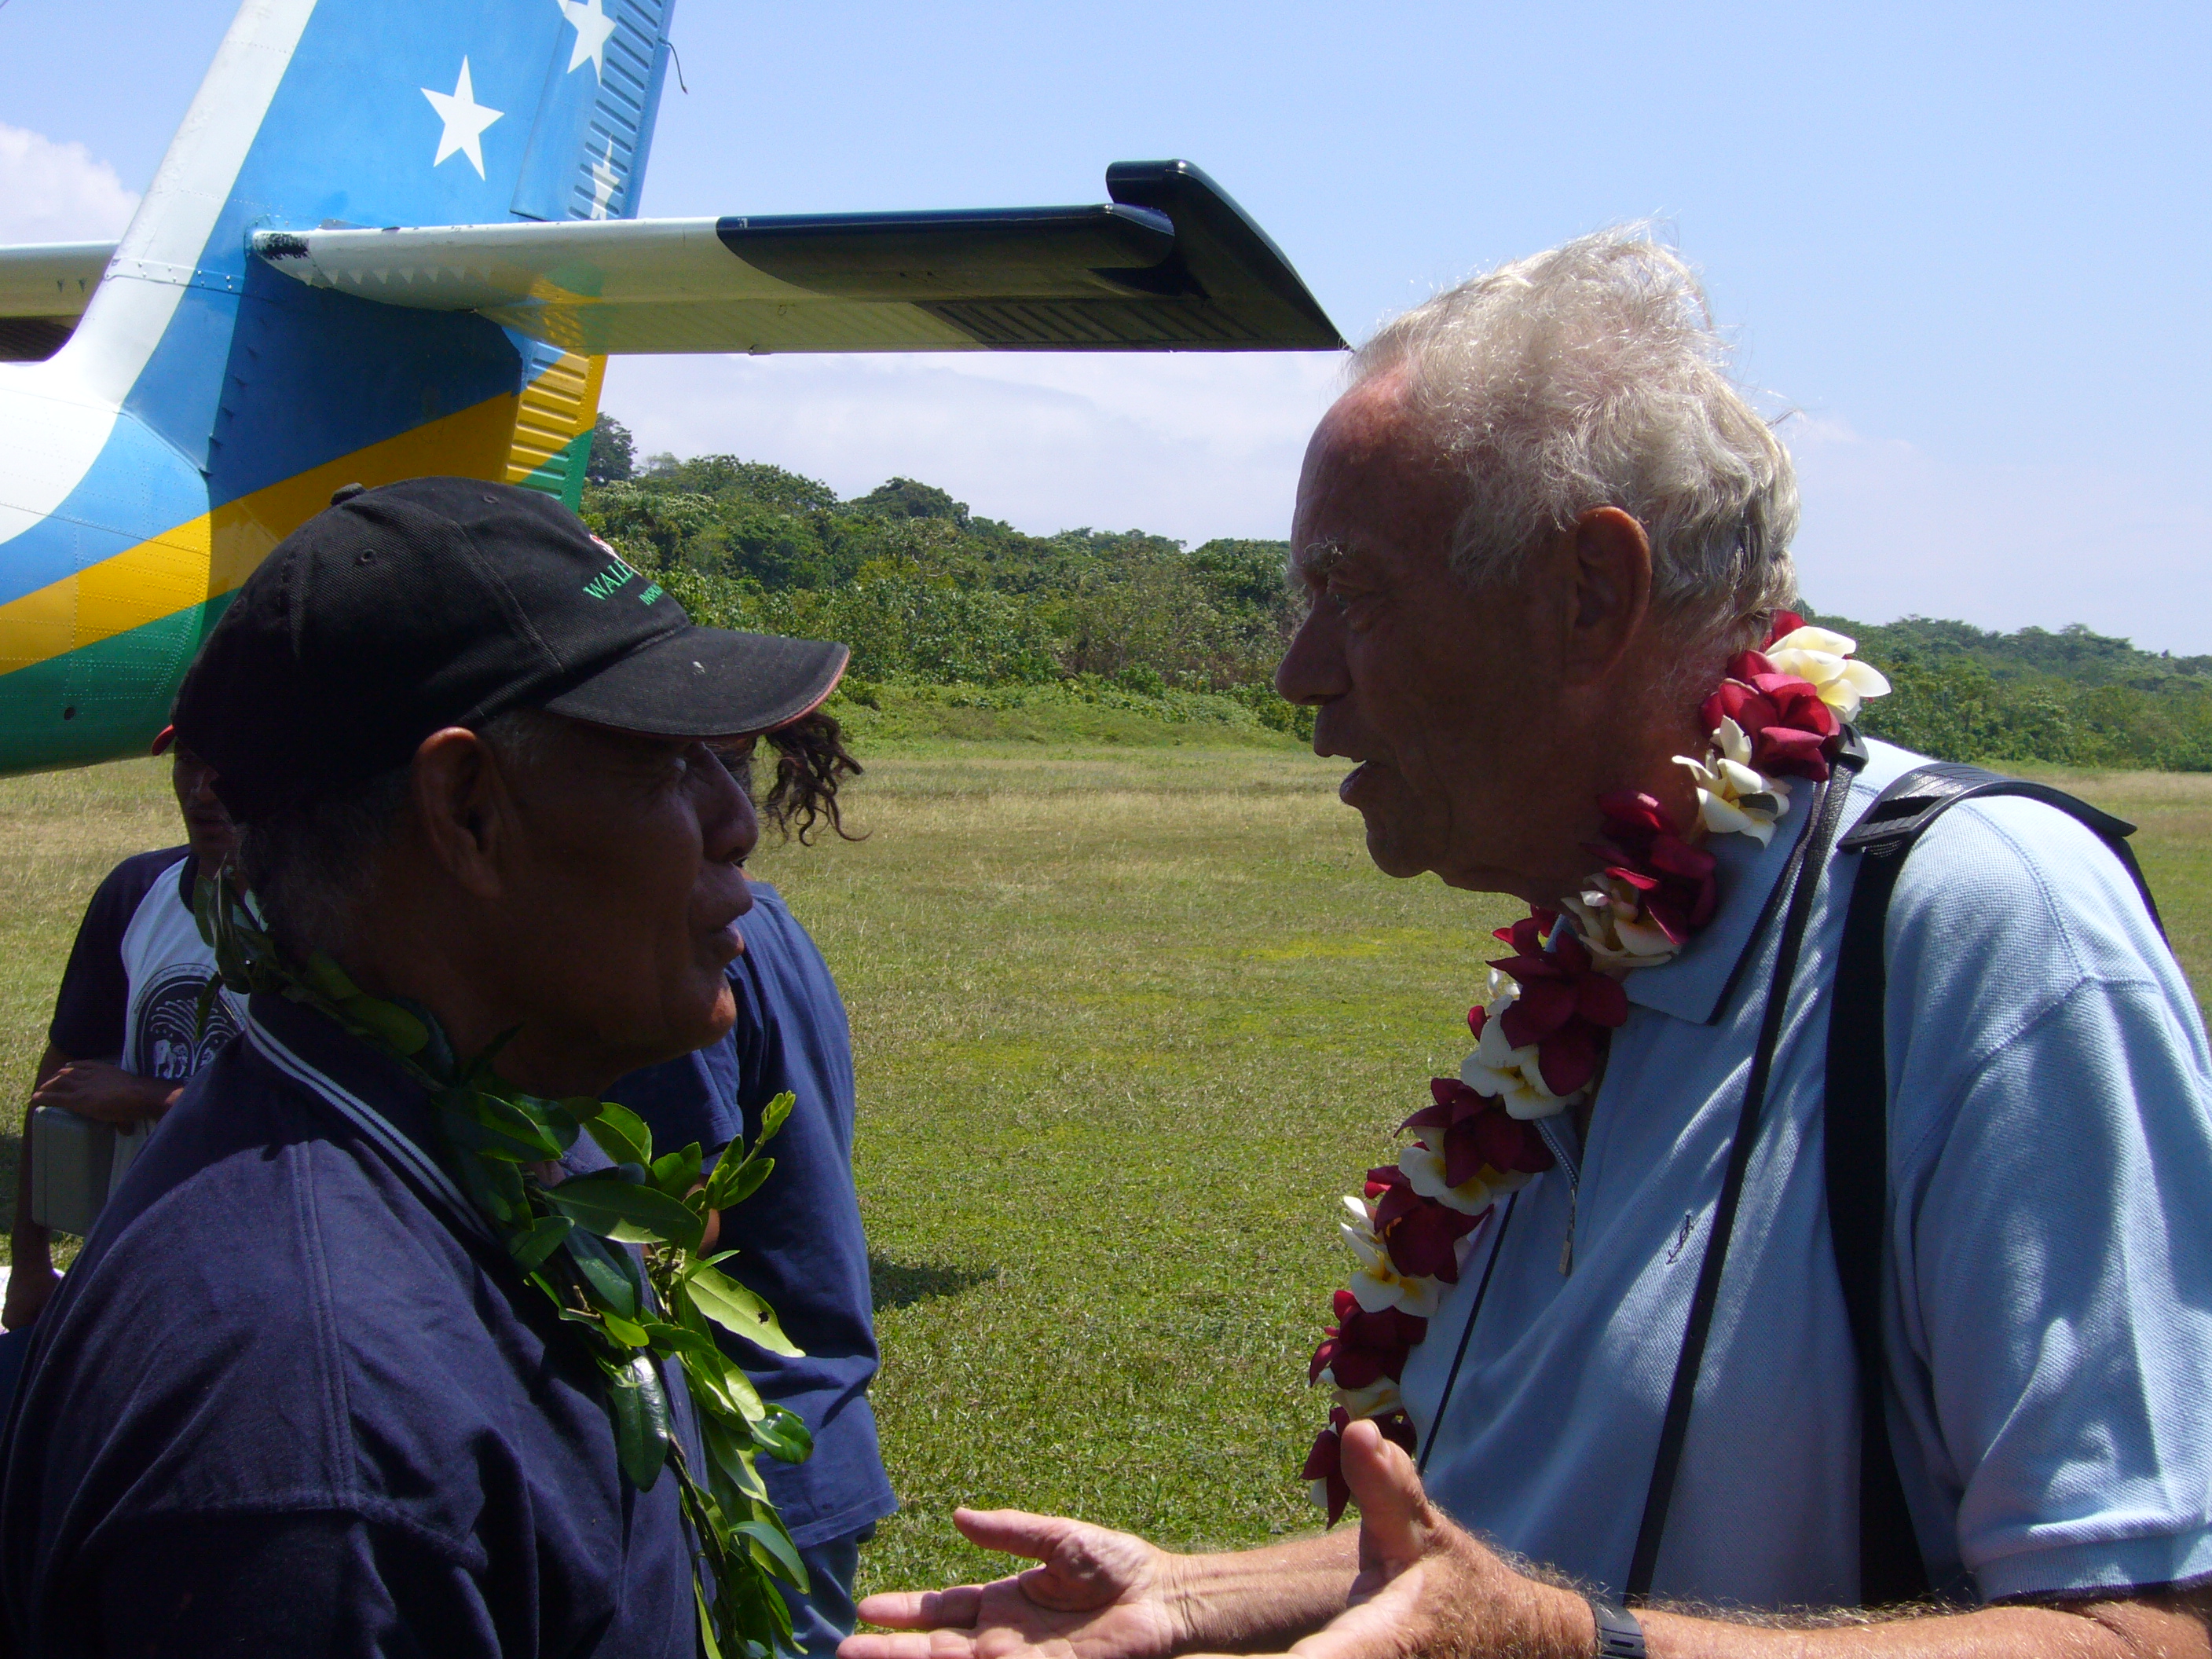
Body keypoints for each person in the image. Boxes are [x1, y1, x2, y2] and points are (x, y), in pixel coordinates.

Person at [844, 233, 2212, 1658]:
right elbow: (1538, 1529)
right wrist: (1197, 1596)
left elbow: (2153, 1627)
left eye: (1353, 593)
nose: (1298, 671)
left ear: (1588, 600)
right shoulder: (1601, 940)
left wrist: (1574, 1647)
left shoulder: (1983, 928)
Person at [0, 478, 850, 1655]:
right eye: (668, 764)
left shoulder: (456, 1145)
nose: (735, 819)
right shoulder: (323, 1436)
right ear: (467, 814)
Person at [616, 718, 898, 1658]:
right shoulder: (762, 916)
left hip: (748, 1462)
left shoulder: (680, 957)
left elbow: (673, 1231)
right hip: (809, 1430)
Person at [4, 734, 241, 1332]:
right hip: (130, 1261)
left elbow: (317, 1115)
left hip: (252, 1267)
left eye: (226, 765)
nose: (201, 791)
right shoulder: (138, 892)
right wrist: (30, 1259)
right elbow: (57, 1080)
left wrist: (145, 1098)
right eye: (188, 761)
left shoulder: (318, 918)